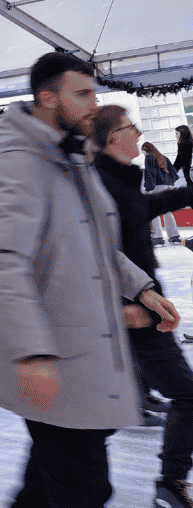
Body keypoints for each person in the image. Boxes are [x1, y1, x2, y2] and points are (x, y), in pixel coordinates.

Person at [0, 52, 180, 508]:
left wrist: (141, 287)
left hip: (82, 350)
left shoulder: (72, 155)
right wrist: (32, 354)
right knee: (82, 490)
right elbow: (4, 261)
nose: (93, 103)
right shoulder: (21, 163)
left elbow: (95, 244)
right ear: (48, 98)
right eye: (82, 93)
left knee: (49, 490)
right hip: (54, 357)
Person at [92, 105, 193, 507]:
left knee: (102, 415)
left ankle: (137, 397)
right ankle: (170, 483)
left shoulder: (118, 181)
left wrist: (188, 193)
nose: (138, 133)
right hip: (134, 314)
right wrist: (126, 304)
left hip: (141, 306)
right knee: (188, 397)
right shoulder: (101, 185)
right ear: (114, 136)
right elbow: (98, 255)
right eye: (131, 127)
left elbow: (144, 209)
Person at [144, 141, 182, 246]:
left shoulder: (149, 157)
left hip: (158, 186)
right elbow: (174, 173)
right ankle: (174, 237)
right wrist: (170, 184)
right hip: (168, 186)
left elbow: (150, 174)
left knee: (154, 210)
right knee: (168, 211)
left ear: (145, 150)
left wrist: (148, 188)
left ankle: (158, 238)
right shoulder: (164, 157)